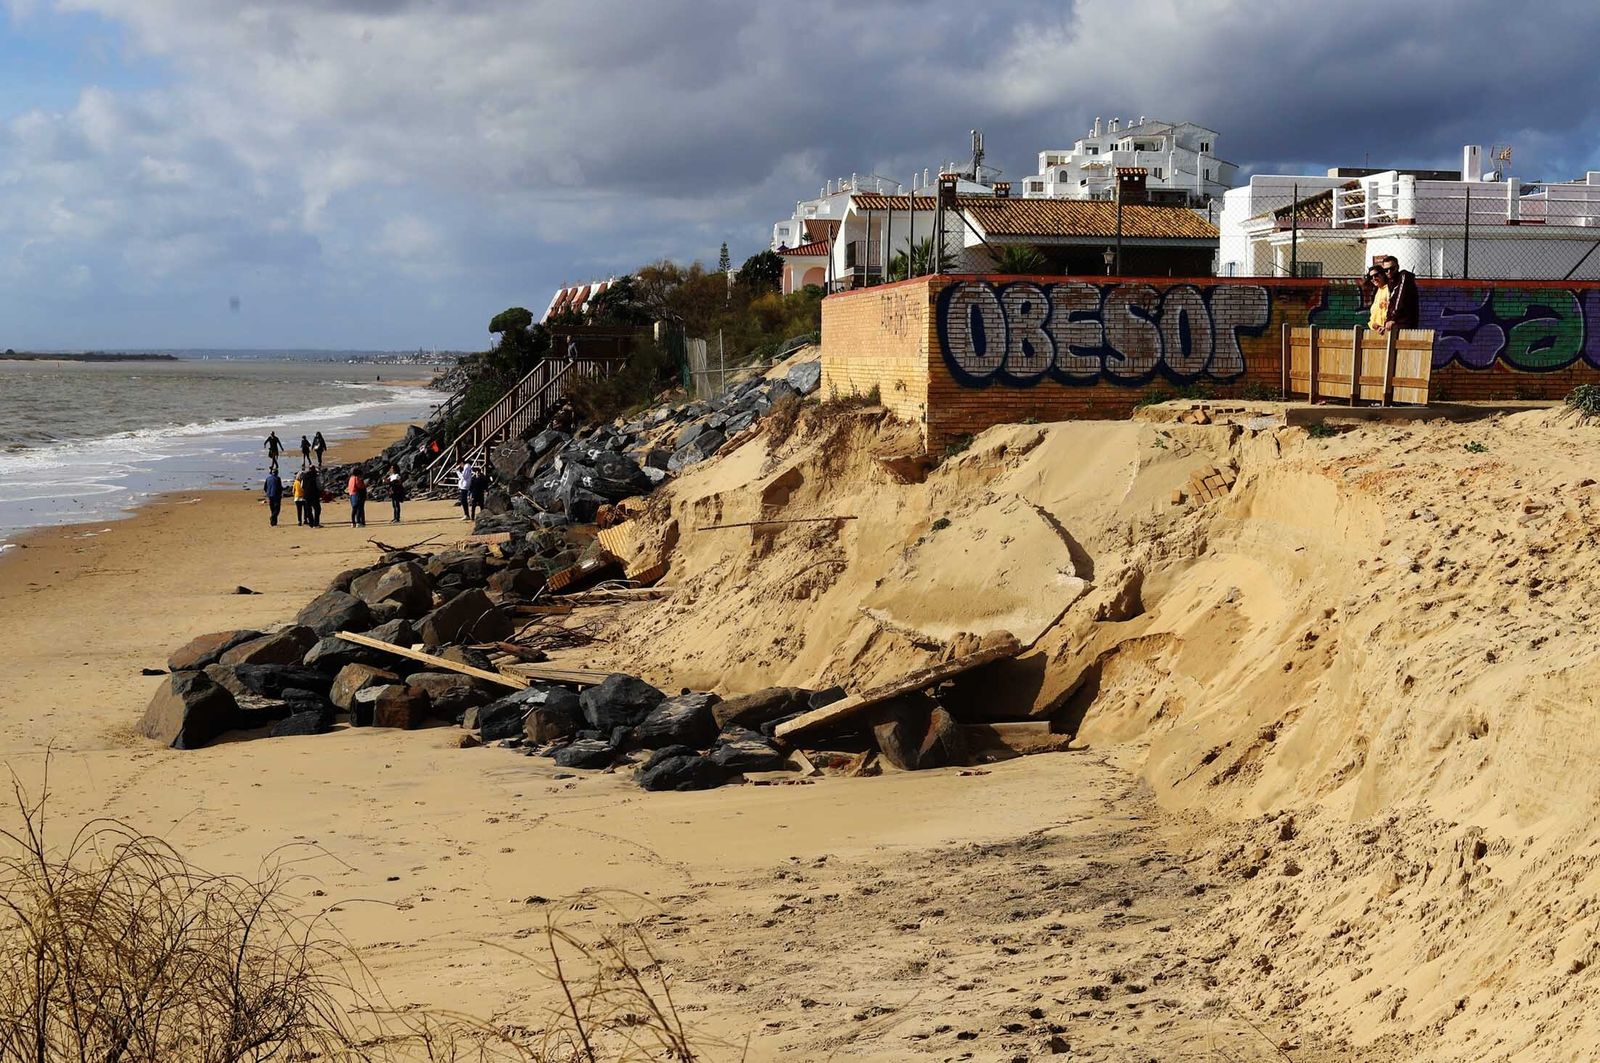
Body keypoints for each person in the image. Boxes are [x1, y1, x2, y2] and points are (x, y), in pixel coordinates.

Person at [1381, 255, 1419, 331]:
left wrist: (1393, 319)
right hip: (1395, 324)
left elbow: (1400, 298)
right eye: (1386, 270)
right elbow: (1391, 303)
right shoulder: (1390, 283)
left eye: (1392, 269)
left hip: (1405, 324)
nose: (1389, 272)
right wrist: (1387, 322)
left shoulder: (1404, 276)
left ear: (1397, 267)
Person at [1363, 264, 1391, 332]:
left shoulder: (1389, 289)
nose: (1373, 279)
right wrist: (1372, 324)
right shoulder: (1377, 291)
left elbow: (1390, 310)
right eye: (1371, 277)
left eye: (1376, 275)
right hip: (1376, 330)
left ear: (1383, 274)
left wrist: (1384, 326)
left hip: (1386, 330)